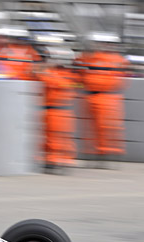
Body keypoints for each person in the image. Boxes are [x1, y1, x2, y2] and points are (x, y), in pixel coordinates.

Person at [75, 33, 129, 166]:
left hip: (108, 96)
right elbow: (77, 75)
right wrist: (80, 87)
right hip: (91, 95)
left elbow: (121, 79)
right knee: (90, 127)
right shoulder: (86, 58)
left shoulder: (117, 60)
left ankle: (107, 155)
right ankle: (93, 154)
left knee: (107, 126)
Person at [36, 48, 80, 174]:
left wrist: (45, 73)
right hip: (52, 109)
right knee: (49, 137)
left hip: (60, 110)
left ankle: (57, 161)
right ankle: (52, 160)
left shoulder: (70, 74)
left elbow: (62, 84)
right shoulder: (48, 71)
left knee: (58, 137)